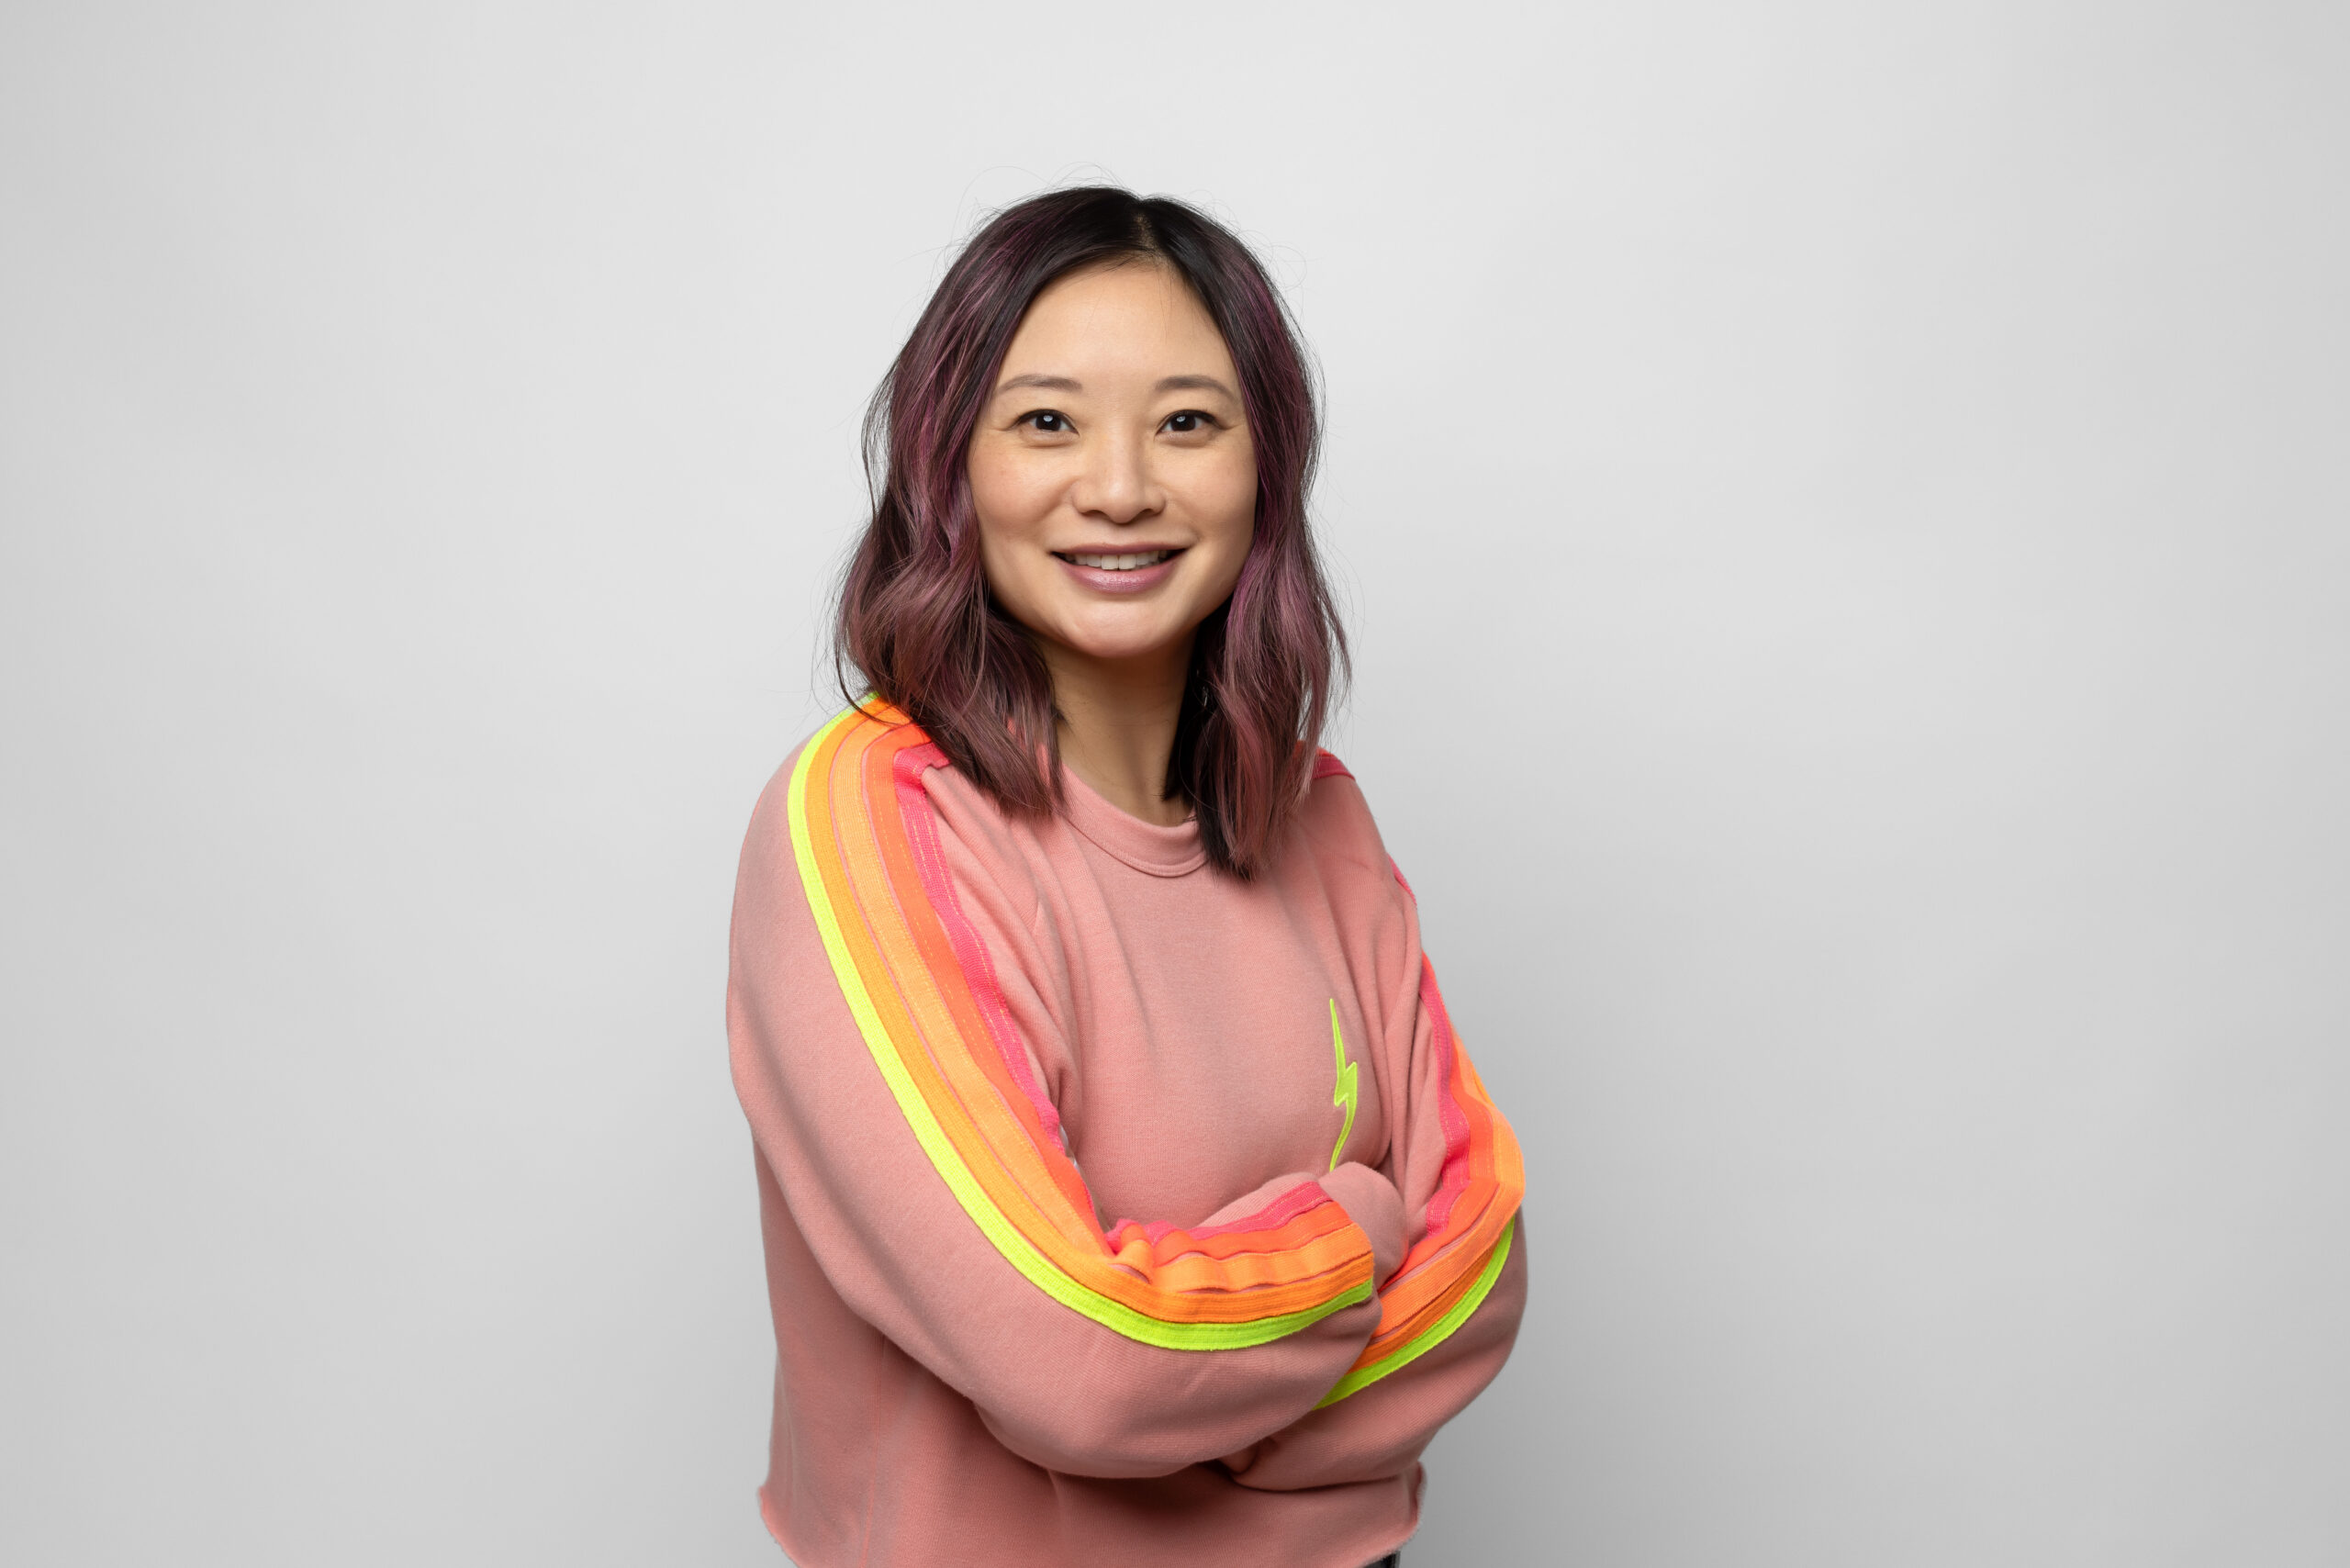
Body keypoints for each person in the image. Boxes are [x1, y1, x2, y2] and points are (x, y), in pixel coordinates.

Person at [726, 186, 1527, 1568]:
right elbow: (1077, 1363)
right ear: (949, 465)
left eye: (1188, 422)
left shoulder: (1316, 817)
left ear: (1264, 467)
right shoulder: (872, 819)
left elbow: (1482, 1282)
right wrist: (1355, 1225)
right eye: (1046, 421)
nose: (1119, 485)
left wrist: (1194, 1380)